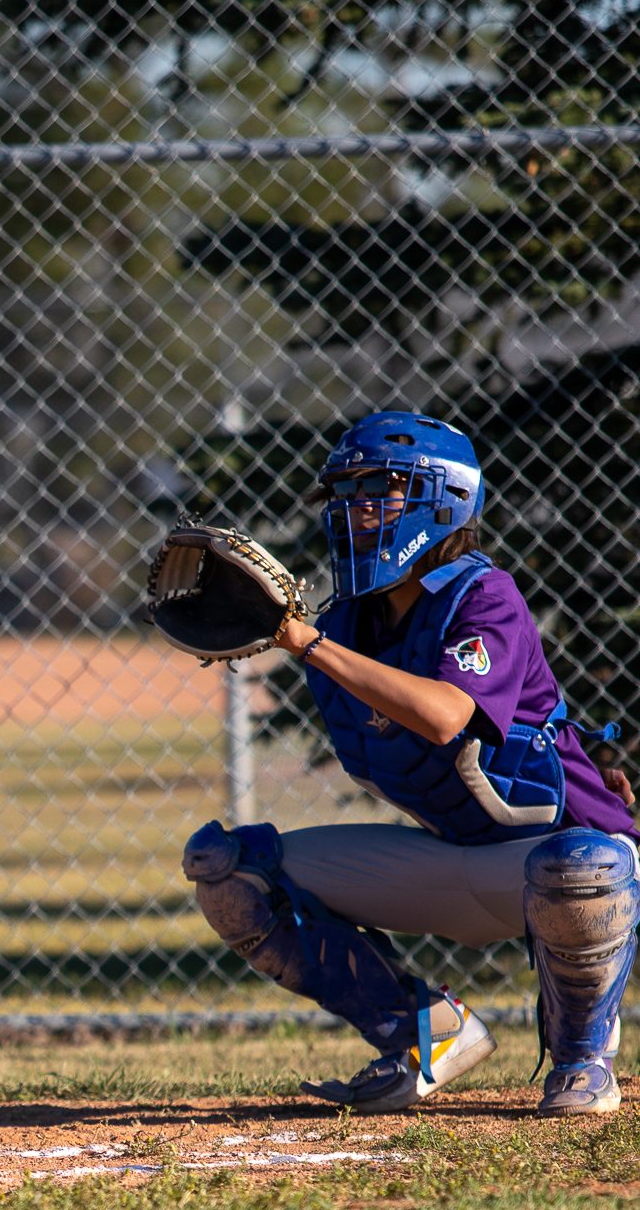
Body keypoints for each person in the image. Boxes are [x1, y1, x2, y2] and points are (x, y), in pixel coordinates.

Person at [182, 409, 638, 1117]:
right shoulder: (345, 624)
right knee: (230, 870)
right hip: (454, 860)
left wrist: (302, 643)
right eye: (346, 493)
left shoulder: (482, 596)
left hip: (556, 857)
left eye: (380, 489)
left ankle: (582, 1059)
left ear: (442, 498)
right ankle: (426, 1032)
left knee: (581, 866)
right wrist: (298, 637)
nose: (355, 509)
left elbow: (444, 715)